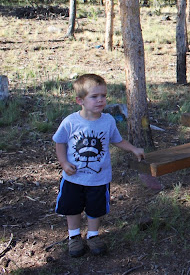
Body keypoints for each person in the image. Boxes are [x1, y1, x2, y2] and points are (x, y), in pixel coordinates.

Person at [53, 74, 145, 258]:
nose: (100, 100)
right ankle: (74, 237)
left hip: (99, 178)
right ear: (80, 100)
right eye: (94, 96)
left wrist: (133, 149)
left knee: (95, 208)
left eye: (103, 95)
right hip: (74, 177)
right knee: (72, 207)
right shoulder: (71, 122)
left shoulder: (108, 120)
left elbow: (117, 140)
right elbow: (59, 142)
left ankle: (93, 236)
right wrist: (63, 162)